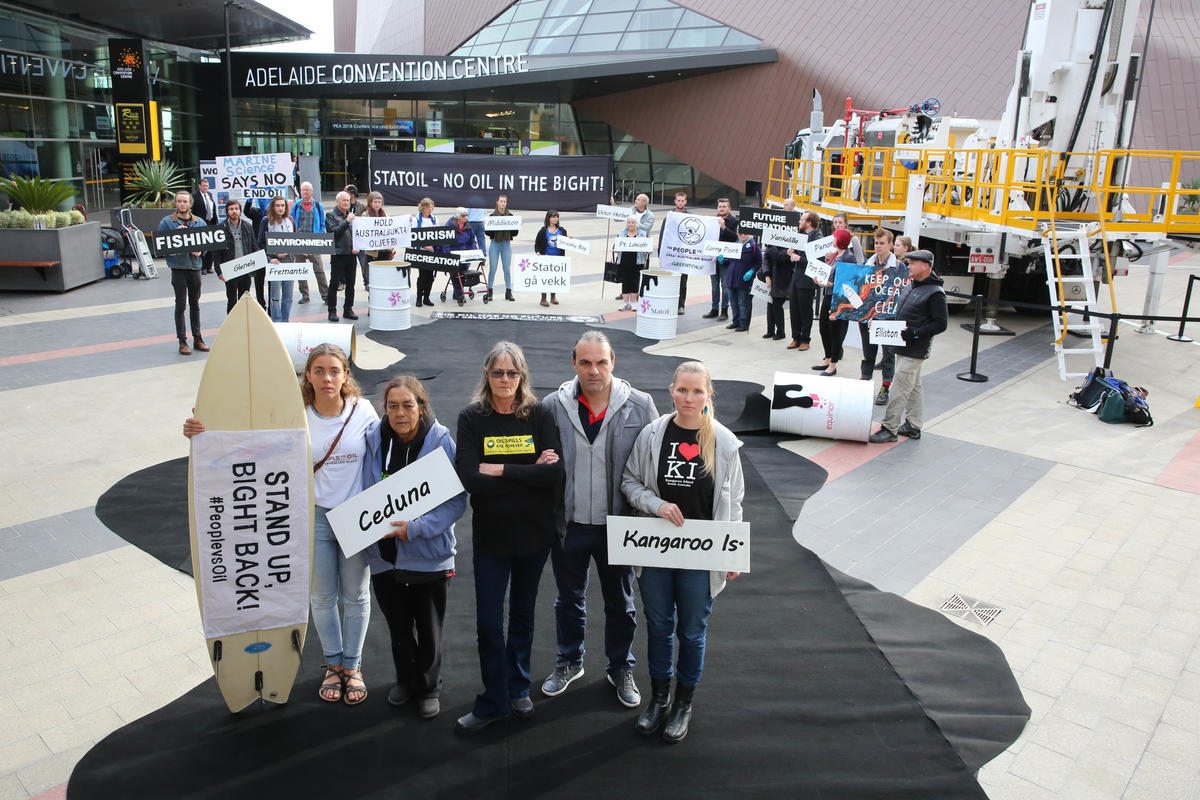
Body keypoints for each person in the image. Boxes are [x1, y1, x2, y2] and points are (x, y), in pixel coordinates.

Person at [183, 344, 379, 705]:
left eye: (334, 370)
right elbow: (251, 437)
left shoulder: (363, 411)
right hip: (315, 517)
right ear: (307, 375)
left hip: (356, 516)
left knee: (356, 596)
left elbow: (395, 443)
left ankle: (353, 667)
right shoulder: (297, 413)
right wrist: (203, 428)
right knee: (322, 597)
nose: (327, 378)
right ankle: (333, 665)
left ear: (346, 375)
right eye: (319, 370)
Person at [621, 361, 744, 743]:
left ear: (709, 395)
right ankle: (658, 698)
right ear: (670, 391)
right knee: (658, 627)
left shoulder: (723, 443)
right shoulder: (653, 435)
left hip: (700, 554)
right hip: (657, 549)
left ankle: (683, 703)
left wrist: (732, 553)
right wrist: (654, 504)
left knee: (691, 631)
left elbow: (734, 500)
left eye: (697, 391)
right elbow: (629, 482)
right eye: (682, 390)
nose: (689, 398)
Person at [540, 331, 658, 708]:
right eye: (586, 362)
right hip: (569, 524)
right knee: (568, 598)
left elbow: (654, 467)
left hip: (619, 525)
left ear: (613, 362)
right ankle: (569, 660)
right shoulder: (552, 406)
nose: (594, 370)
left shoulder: (640, 406)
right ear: (573, 363)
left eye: (601, 362)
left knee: (620, 602)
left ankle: (620, 666)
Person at [454, 342, 564, 733]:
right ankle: (493, 697)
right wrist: (526, 472)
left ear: (522, 376)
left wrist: (498, 471)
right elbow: (469, 479)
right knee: (488, 622)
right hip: (491, 539)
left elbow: (553, 475)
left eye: (512, 373)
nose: (505, 380)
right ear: (487, 374)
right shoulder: (472, 418)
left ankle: (518, 687)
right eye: (498, 372)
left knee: (522, 615)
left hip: (534, 537)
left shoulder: (539, 414)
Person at [365, 376, 466, 720]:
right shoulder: (375, 441)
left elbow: (455, 501)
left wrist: (417, 529)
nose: (400, 413)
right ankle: (406, 681)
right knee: (397, 626)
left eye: (408, 405)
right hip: (384, 556)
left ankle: (428, 686)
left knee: (428, 627)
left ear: (421, 407)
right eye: (392, 406)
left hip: (428, 556)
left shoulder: (440, 443)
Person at [869, 249, 947, 443]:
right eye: (909, 262)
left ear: (926, 266)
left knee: (899, 387)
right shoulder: (911, 285)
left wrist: (914, 332)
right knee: (914, 386)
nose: (909, 265)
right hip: (903, 345)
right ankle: (913, 425)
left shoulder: (936, 293)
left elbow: (941, 324)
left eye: (913, 263)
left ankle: (889, 428)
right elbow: (900, 314)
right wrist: (880, 323)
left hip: (915, 349)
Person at [158, 191, 207, 356]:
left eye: (185, 201)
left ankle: (198, 338)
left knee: (195, 304)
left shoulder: (199, 222)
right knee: (180, 305)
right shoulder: (167, 222)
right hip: (178, 268)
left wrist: (201, 251)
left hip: (195, 268)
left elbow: (207, 243)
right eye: (179, 201)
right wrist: (175, 239)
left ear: (190, 204)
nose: (182, 204)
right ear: (176, 204)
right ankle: (182, 341)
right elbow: (161, 247)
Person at [858, 229, 903, 405]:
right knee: (868, 353)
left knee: (888, 355)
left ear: (890, 245)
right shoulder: (867, 265)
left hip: (888, 319)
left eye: (882, 243)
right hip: (868, 318)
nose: (878, 246)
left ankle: (885, 387)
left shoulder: (899, 267)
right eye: (876, 243)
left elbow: (898, 295)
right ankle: (865, 383)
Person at [813, 228, 855, 376]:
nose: (832, 239)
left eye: (835, 237)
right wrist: (820, 279)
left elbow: (848, 280)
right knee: (823, 327)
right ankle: (828, 356)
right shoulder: (835, 256)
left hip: (838, 298)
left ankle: (833, 364)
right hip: (828, 294)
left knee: (834, 331)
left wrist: (830, 284)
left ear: (840, 240)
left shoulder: (848, 258)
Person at [786, 211, 822, 351]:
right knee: (794, 309)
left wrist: (799, 258)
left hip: (807, 280)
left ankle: (805, 339)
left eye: (802, 220)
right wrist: (791, 253)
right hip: (796, 277)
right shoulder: (801, 236)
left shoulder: (817, 238)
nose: (799, 222)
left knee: (805, 311)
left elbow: (817, 262)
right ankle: (796, 337)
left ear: (809, 223)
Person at [214, 198, 258, 314]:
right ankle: (232, 327)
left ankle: (244, 325)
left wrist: (257, 263)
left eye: (236, 209)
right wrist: (219, 271)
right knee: (232, 301)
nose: (234, 211)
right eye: (231, 209)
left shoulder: (247, 226)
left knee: (244, 301)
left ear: (240, 211)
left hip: (245, 268)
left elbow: (254, 246)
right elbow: (216, 252)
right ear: (227, 211)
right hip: (230, 269)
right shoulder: (220, 228)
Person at [290, 181, 329, 305]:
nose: (305, 192)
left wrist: (319, 238)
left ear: (311, 192)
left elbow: (322, 224)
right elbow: (291, 222)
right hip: (299, 242)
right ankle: (304, 295)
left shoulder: (318, 205)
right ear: (301, 192)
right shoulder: (296, 205)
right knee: (301, 270)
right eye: (303, 190)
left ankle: (326, 295)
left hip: (314, 241)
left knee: (319, 269)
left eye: (308, 190)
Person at [325, 191, 359, 323]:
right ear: (337, 201)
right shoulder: (331, 215)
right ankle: (332, 311)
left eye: (348, 200)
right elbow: (333, 233)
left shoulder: (351, 216)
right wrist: (346, 221)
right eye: (343, 200)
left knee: (351, 283)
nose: (346, 203)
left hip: (351, 254)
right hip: (338, 254)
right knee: (334, 283)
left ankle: (348, 309)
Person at [261, 195, 296, 322]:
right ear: (272, 207)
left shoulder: (290, 220)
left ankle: (285, 321)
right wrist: (270, 258)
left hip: (289, 262)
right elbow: (261, 243)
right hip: (274, 262)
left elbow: (295, 240)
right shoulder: (266, 221)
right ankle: (276, 321)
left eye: (283, 205)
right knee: (275, 296)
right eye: (277, 205)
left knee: (288, 296)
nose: (280, 208)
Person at [702, 198, 738, 321]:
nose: (721, 208)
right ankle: (714, 309)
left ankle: (724, 310)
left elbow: (734, 238)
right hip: (713, 258)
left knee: (725, 285)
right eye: (720, 206)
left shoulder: (734, 221)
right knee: (714, 285)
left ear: (729, 208)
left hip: (726, 259)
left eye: (724, 206)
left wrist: (724, 227)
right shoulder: (713, 220)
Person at [723, 228, 760, 333]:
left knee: (742, 302)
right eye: (740, 233)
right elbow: (729, 260)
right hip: (731, 278)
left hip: (743, 280)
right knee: (733, 302)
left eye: (745, 233)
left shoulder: (753, 246)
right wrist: (723, 260)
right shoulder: (734, 245)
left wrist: (751, 271)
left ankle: (743, 323)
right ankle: (736, 321)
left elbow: (759, 262)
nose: (742, 235)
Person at [658, 191, 689, 314]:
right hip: (670, 254)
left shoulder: (690, 217)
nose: (680, 202)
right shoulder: (669, 217)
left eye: (683, 200)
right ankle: (670, 303)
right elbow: (663, 235)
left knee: (682, 281)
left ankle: (681, 305)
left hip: (684, 255)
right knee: (670, 280)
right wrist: (661, 252)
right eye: (678, 200)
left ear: (685, 202)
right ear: (675, 201)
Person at [485, 194, 517, 302]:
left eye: (505, 201)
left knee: (506, 269)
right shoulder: (492, 217)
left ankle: (508, 291)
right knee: (493, 268)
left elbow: (515, 233)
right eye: (501, 201)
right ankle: (490, 291)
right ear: (497, 202)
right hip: (495, 243)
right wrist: (493, 227)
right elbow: (487, 232)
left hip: (506, 244)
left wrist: (514, 226)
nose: (503, 203)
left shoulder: (511, 216)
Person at [360, 191, 393, 291]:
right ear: (370, 202)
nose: (377, 204)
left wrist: (392, 247)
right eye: (375, 202)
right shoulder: (365, 215)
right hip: (372, 252)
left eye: (379, 202)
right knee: (373, 275)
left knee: (385, 275)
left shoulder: (385, 215)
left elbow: (391, 232)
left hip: (385, 250)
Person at [446, 206, 480, 303]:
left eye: (466, 215)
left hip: (465, 255)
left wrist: (474, 252)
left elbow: (472, 240)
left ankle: (456, 293)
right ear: (457, 217)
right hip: (454, 254)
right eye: (463, 215)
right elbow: (445, 242)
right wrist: (448, 255)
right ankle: (459, 295)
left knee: (462, 275)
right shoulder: (449, 226)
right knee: (456, 275)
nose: (466, 217)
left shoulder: (468, 226)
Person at [614, 214, 647, 312]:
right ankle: (625, 302)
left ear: (636, 224)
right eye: (629, 222)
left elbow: (646, 246)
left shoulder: (642, 234)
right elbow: (617, 246)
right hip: (624, 261)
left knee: (634, 281)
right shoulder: (621, 233)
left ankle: (633, 302)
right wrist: (616, 248)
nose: (631, 224)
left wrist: (648, 250)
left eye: (633, 222)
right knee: (625, 281)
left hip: (637, 261)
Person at [534, 209, 565, 307]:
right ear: (548, 218)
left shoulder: (562, 231)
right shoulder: (543, 231)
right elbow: (537, 243)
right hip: (546, 258)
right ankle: (543, 298)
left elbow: (566, 243)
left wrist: (570, 241)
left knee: (555, 278)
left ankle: (553, 297)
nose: (556, 218)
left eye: (557, 216)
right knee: (545, 278)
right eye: (553, 216)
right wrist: (538, 252)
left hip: (558, 258)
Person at [411, 198, 439, 307]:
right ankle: (419, 297)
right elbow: (414, 236)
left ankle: (427, 297)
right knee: (422, 275)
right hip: (421, 251)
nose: (431, 209)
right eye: (428, 207)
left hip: (432, 251)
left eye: (432, 207)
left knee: (430, 276)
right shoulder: (416, 219)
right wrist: (425, 246)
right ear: (423, 207)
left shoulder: (434, 219)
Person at [195, 178, 218, 274]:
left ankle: (209, 266)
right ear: (199, 186)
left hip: (211, 223)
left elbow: (212, 209)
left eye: (207, 186)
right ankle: (203, 267)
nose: (206, 187)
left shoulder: (210, 195)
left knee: (211, 246)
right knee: (202, 246)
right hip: (200, 224)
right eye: (204, 186)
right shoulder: (194, 196)